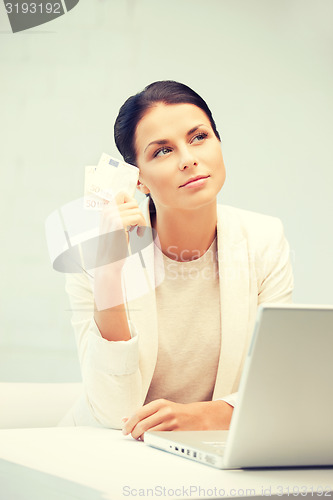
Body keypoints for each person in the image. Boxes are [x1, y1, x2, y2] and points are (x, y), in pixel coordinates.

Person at [63, 81, 294, 439]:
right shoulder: (90, 253)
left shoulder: (264, 240)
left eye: (199, 137)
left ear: (219, 143)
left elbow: (276, 388)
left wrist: (202, 417)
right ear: (138, 181)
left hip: (209, 449)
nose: (189, 159)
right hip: (106, 452)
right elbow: (114, 412)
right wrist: (108, 272)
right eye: (162, 151)